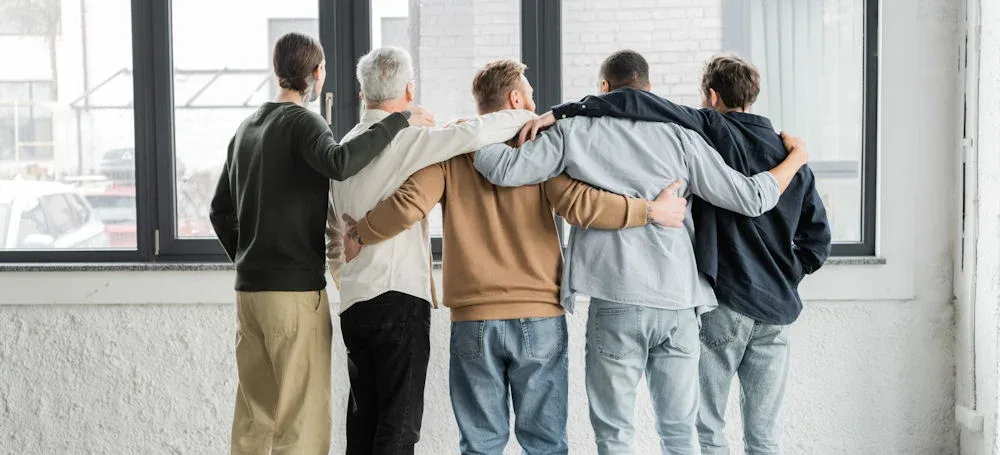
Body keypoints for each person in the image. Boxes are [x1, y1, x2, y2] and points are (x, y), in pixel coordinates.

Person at [338, 59, 689, 455]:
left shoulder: (455, 151)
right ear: (516, 98)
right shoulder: (538, 146)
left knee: (481, 445)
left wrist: (359, 233)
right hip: (538, 316)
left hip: (474, 320)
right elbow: (580, 205)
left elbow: (408, 204)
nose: (536, 104)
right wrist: (648, 211)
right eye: (532, 95)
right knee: (544, 445)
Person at [472, 50, 809, 455]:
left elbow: (505, 170)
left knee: (615, 435)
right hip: (677, 304)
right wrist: (796, 160)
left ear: (603, 88)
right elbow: (752, 198)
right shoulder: (682, 138)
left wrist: (476, 131)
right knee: (681, 434)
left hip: (616, 298)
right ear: (649, 90)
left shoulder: (573, 131)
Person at [208, 32, 433, 455]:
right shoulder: (303, 122)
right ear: (318, 73)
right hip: (292, 295)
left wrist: (252, 258)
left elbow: (220, 211)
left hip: (249, 295)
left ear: (279, 69)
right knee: (302, 423)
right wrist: (400, 121)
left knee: (256, 419)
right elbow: (340, 162)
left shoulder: (246, 128)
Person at [326, 47, 537, 455]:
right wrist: (530, 114)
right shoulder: (408, 140)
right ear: (409, 89)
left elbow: (332, 233)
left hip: (355, 304)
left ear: (362, 93)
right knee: (399, 427)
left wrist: (344, 278)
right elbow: (473, 134)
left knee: (363, 421)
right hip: (397, 299)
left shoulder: (345, 147)